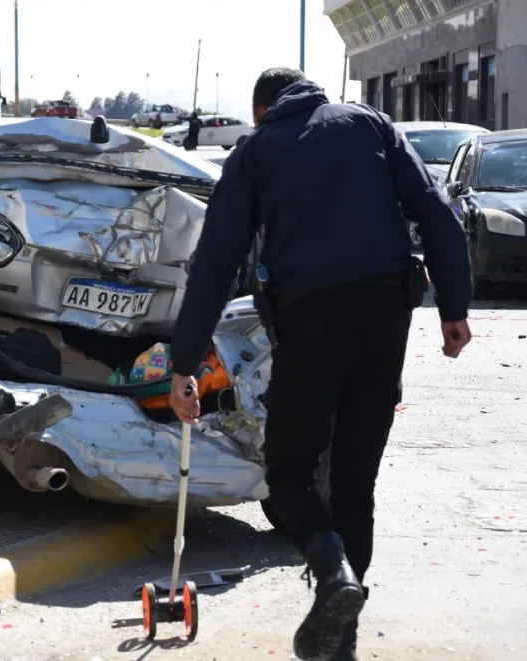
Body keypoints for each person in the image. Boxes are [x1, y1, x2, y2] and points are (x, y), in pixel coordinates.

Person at [167, 67, 473, 661]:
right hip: (386, 313)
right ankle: (342, 642)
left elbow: (217, 259)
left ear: (261, 110)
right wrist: (454, 308)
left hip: (310, 320)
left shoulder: (257, 148)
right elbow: (435, 208)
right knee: (355, 481)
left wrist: (185, 363)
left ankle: (333, 575)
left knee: (289, 473)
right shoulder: (372, 124)